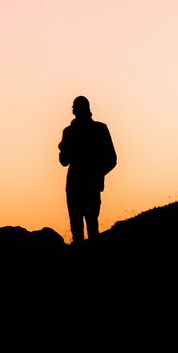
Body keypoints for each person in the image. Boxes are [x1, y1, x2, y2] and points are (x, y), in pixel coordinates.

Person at [58, 95, 116, 243]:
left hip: (78, 186)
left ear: (74, 111)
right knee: (91, 229)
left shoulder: (70, 132)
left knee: (80, 232)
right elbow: (112, 160)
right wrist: (97, 174)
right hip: (87, 186)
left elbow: (63, 161)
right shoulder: (99, 129)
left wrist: (96, 174)